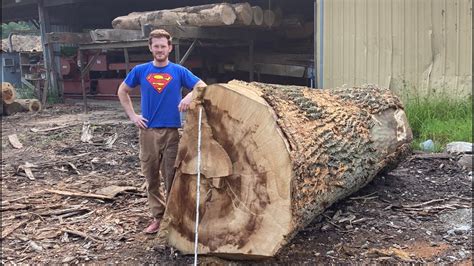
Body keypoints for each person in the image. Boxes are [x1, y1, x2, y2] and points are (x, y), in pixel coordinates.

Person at [118, 29, 207, 234]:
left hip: (172, 132)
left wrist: (189, 96)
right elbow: (122, 91)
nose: (159, 50)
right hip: (148, 131)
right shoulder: (140, 71)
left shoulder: (178, 71)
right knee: (151, 177)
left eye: (163, 46)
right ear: (150, 48)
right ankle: (158, 217)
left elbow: (202, 86)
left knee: (172, 177)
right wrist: (133, 116)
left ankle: (174, 219)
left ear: (169, 48)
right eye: (156, 46)